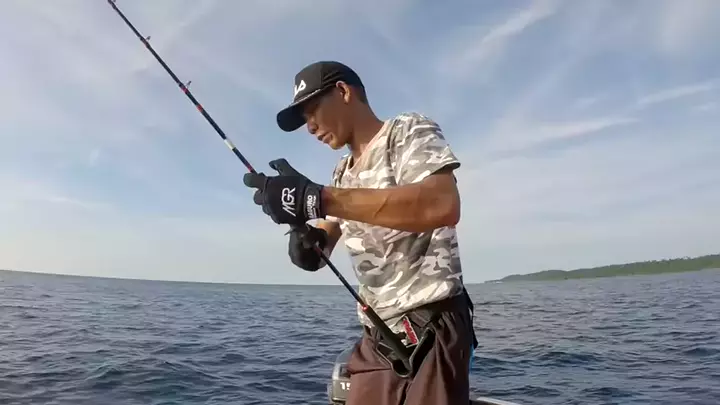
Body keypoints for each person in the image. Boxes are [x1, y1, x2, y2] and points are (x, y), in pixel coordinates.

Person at [242, 61, 477, 405]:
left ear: (343, 91)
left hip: (433, 325)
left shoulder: (406, 130)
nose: (310, 127)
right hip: (377, 336)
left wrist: (316, 198)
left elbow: (442, 204)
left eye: (312, 110)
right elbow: (326, 236)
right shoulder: (341, 173)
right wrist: (306, 238)